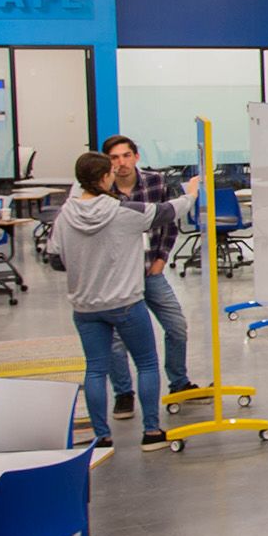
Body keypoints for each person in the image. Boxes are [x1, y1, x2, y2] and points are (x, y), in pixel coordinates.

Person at [56, 151, 198, 452]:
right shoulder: (123, 212)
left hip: (85, 307)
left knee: (95, 369)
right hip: (125, 303)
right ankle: (150, 432)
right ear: (105, 178)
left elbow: (56, 258)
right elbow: (167, 212)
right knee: (146, 363)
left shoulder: (64, 215)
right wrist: (192, 194)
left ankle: (101, 438)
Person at [97, 134, 205, 418]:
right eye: (114, 158)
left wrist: (161, 259)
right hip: (118, 278)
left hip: (150, 271)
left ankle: (179, 383)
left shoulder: (155, 182)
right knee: (116, 340)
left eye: (126, 155)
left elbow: (169, 221)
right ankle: (123, 393)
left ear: (136, 157)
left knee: (176, 325)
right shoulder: (102, 192)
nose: (121, 163)